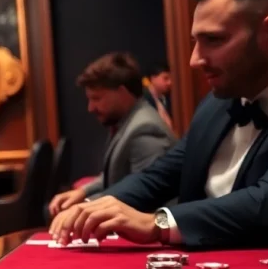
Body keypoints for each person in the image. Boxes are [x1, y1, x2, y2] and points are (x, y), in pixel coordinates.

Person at [50, 0, 268, 248]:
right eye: (195, 42)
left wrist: (157, 223)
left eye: (213, 40)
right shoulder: (217, 103)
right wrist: (96, 206)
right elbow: (161, 175)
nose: (194, 60)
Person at [48, 52, 175, 216]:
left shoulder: (145, 129)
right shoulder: (126, 121)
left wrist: (85, 207)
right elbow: (116, 177)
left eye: (97, 98)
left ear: (122, 92)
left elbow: (144, 195)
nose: (90, 108)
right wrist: (82, 192)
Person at [143, 63, 175, 130]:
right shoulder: (144, 99)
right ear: (153, 78)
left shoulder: (165, 98)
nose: (170, 82)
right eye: (166, 78)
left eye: (171, 79)